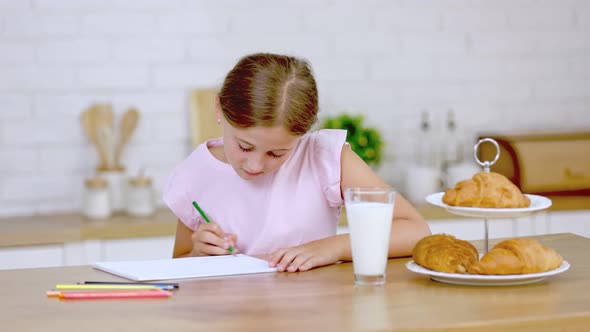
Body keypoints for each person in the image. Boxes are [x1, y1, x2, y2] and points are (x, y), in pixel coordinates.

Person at [163, 52, 431, 273]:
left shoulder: (324, 157)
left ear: (301, 136)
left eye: (277, 154)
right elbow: (179, 266)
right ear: (219, 109)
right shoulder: (195, 174)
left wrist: (332, 247)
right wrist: (200, 252)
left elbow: (415, 231)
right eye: (244, 146)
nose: (255, 166)